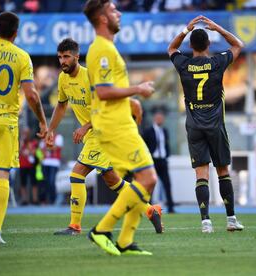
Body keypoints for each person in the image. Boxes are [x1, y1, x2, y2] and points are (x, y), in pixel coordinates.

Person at [48, 38, 162, 235]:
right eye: (59, 57)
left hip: (101, 131)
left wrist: (85, 126)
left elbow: (105, 107)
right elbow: (61, 105)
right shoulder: (62, 79)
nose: (62, 61)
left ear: (76, 56)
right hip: (93, 135)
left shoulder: (90, 77)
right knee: (112, 180)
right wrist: (50, 129)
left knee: (77, 174)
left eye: (66, 57)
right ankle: (150, 210)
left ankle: (74, 225)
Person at [84, 0, 161, 256]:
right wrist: (137, 89)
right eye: (113, 9)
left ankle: (126, 241)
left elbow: (106, 91)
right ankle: (102, 230)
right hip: (114, 126)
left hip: (120, 122)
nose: (119, 13)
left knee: (144, 181)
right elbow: (104, 93)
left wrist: (132, 100)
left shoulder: (107, 49)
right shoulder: (102, 50)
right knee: (148, 179)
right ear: (103, 18)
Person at [168, 15, 244, 233]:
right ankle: (231, 220)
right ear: (208, 44)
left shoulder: (184, 64)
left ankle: (206, 222)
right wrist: (217, 27)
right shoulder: (217, 63)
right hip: (215, 125)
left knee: (201, 175)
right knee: (223, 171)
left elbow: (171, 48)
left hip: (194, 125)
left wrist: (185, 29)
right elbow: (238, 44)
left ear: (191, 46)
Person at [0, 12, 47, 244]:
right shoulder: (21, 56)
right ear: (16, 33)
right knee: (1, 175)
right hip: (5, 123)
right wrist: (42, 120)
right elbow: (31, 94)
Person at [143, 109, 175, 213]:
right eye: (158, 118)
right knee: (151, 184)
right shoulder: (148, 131)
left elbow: (165, 144)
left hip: (162, 161)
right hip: (153, 161)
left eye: (161, 118)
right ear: (154, 119)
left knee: (167, 184)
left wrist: (167, 156)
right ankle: (149, 208)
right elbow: (144, 146)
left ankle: (171, 208)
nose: (160, 119)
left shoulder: (164, 131)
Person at [18, 127, 39, 205]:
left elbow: (33, 152)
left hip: (31, 165)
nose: (25, 135)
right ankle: (24, 199)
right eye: (24, 133)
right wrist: (22, 143)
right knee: (23, 183)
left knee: (34, 183)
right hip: (22, 165)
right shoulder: (20, 142)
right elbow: (19, 152)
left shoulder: (33, 142)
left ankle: (35, 199)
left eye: (27, 133)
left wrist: (28, 149)